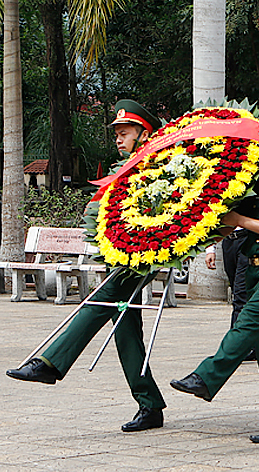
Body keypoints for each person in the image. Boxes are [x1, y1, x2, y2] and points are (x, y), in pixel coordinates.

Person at [7, 100, 167, 433]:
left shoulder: (158, 170)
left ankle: (50, 363)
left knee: (96, 303)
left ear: (145, 133)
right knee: (126, 333)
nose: (119, 139)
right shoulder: (122, 168)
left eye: (126, 133)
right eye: (117, 134)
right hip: (118, 258)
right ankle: (149, 404)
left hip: (139, 260)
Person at [170, 104, 259, 443]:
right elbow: (228, 219)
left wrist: (240, 222)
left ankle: (207, 376)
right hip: (255, 270)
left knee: (247, 323)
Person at [205, 228, 254, 362]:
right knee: (236, 292)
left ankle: (236, 345)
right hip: (228, 240)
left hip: (247, 238)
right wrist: (210, 249)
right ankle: (245, 342)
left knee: (241, 294)